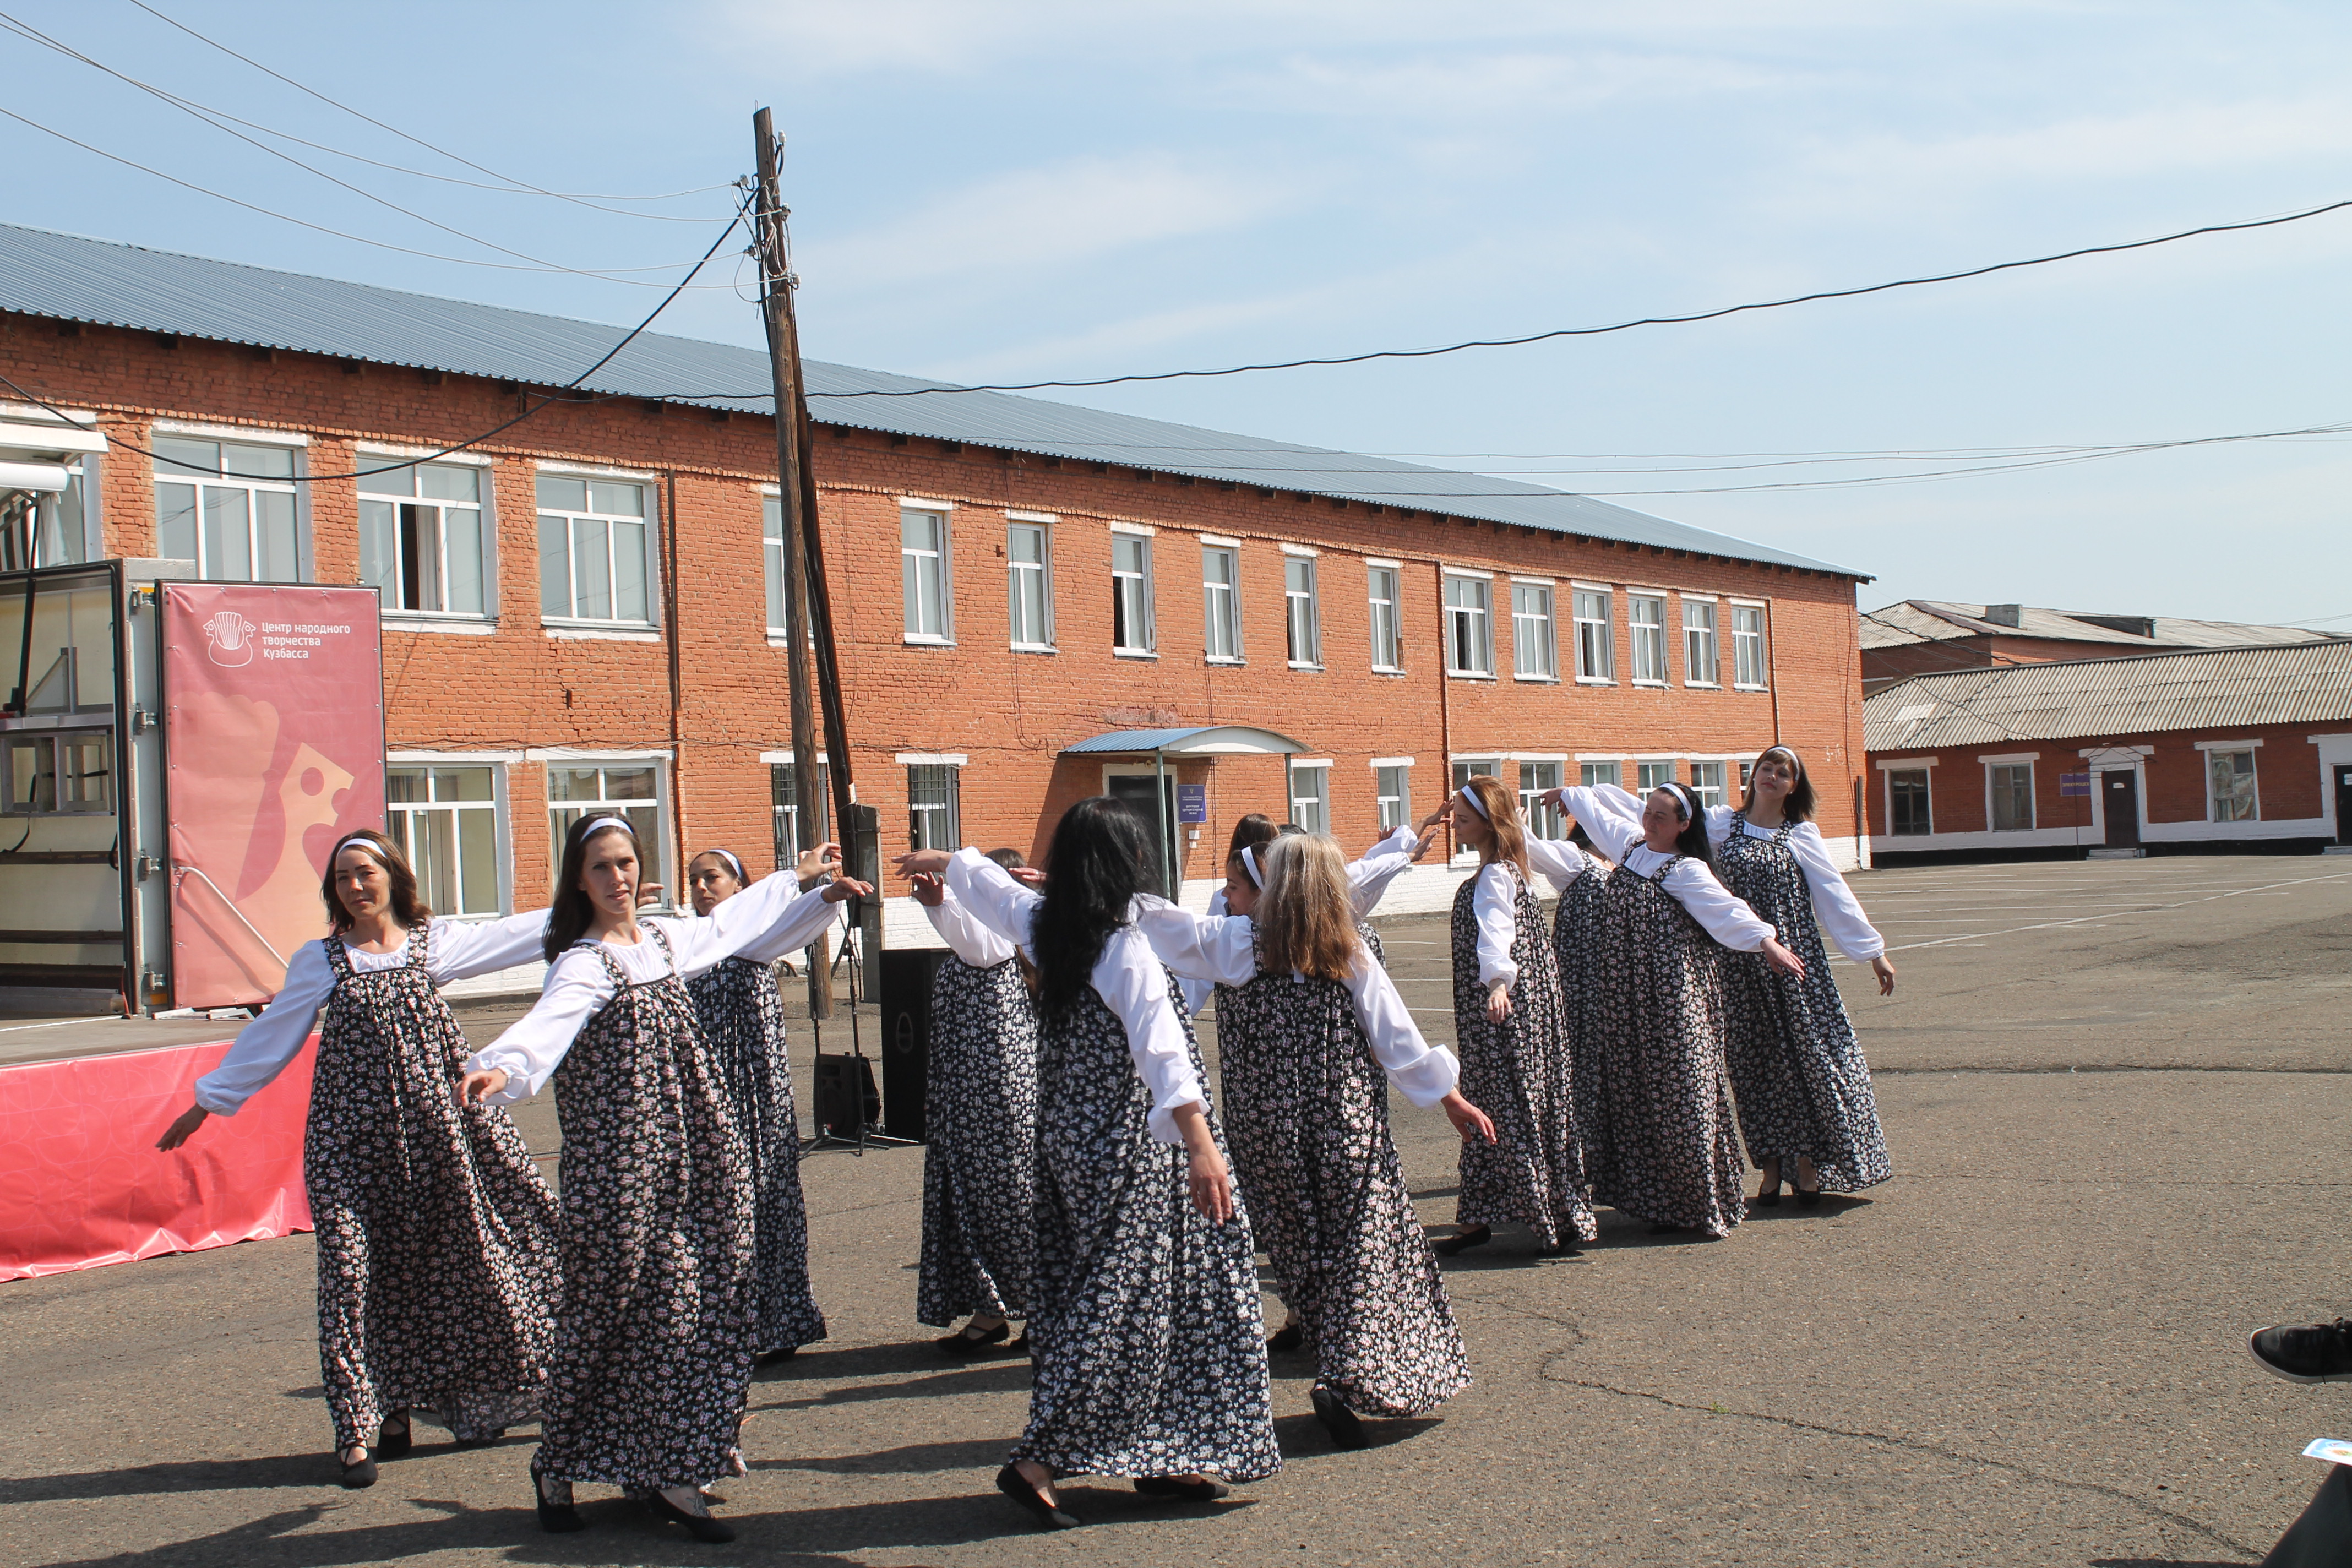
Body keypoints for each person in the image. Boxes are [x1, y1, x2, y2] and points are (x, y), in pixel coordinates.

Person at [456, 816, 867, 1544]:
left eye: (625, 864)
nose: (617, 878)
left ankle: (672, 1471)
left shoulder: (667, 942)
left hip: (688, 1162)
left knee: (685, 1308)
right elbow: (544, 1027)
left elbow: (734, 924)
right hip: (616, 1173)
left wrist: (800, 880)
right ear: (578, 883)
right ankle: (558, 1464)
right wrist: (503, 1068)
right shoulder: (583, 964)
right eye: (600, 868)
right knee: (602, 1316)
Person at [896, 797, 1280, 1533]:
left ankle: (1166, 1451)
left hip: (1075, 1140)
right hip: (1140, 1146)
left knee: (1162, 1287)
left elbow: (997, 892)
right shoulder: (1121, 947)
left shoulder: (1054, 926)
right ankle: (1040, 1460)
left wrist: (949, 860)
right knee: (1127, 1298)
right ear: (1122, 863)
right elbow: (1161, 1046)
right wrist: (1203, 1148)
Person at [153, 830, 560, 1487]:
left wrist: (596, 907)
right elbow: (273, 1033)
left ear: (392, 877)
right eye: (342, 877)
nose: (354, 885)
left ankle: (429, 1404)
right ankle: (356, 1432)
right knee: (352, 1271)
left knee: (486, 1248)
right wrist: (209, 1100)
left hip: (441, 1138)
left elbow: (519, 933)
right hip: (351, 1144)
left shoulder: (434, 944)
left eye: (364, 872)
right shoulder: (320, 961)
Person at [1136, 832, 1493, 1450]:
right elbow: (1395, 1035)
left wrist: (1077, 894)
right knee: (1364, 1241)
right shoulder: (1344, 947)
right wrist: (1451, 1099)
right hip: (1340, 1118)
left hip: (1266, 1127)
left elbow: (1163, 925)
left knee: (1298, 1242)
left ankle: (1331, 1349)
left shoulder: (1235, 942)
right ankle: (1348, 1372)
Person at [1547, 781, 1804, 1238]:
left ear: (1684, 826)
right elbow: (1601, 818)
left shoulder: (1687, 871)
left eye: (1661, 817)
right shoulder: (1630, 849)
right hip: (1627, 1000)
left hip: (1672, 999)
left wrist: (1768, 943)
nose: (1649, 822)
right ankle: (1660, 1202)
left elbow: (1727, 911)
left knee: (1683, 1094)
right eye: (1647, 813)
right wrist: (1568, 795)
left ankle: (1701, 1202)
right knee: (1637, 1100)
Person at [1707, 748, 1894, 1205]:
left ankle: (1807, 1163)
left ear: (1794, 786)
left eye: (1782, 773)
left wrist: (1874, 953)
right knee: (1753, 1066)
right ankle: (1770, 1168)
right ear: (1753, 776)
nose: (1771, 776)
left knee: (1804, 1061)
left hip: (1795, 963)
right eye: (1766, 768)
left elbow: (1835, 895)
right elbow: (1654, 817)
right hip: (1738, 965)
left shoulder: (1800, 836)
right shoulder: (1719, 826)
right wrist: (1577, 797)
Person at [1425, 775, 1595, 1258]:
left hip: (1503, 1010)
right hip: (1517, 1003)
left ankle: (1542, 1212)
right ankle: (1498, 1214)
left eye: (1462, 816)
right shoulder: (1508, 870)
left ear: (1487, 822)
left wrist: (1498, 982)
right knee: (1513, 1099)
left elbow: (1496, 931)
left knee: (1508, 1102)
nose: (1454, 822)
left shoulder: (1498, 875)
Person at [680, 846, 834, 1363]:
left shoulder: (752, 933)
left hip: (754, 1097)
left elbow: (792, 922)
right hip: (703, 1100)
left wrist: (827, 894)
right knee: (711, 1210)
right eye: (694, 879)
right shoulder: (688, 941)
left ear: (739, 885)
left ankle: (776, 1322)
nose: (702, 888)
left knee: (766, 1201)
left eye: (713, 878)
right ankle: (718, 1321)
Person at [907, 848, 1042, 1355]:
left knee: (1002, 1198)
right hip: (969, 1101)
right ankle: (999, 1310)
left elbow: (977, 942)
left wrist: (940, 904)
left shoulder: (997, 947)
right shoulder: (992, 941)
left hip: (995, 1105)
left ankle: (1023, 1310)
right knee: (982, 1199)